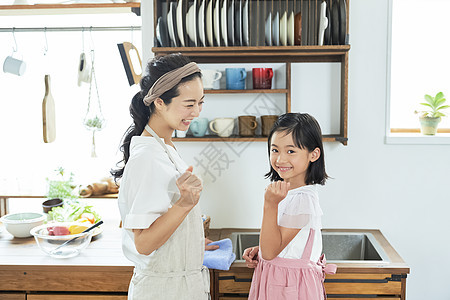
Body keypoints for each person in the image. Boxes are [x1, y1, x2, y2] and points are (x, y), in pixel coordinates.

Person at [111, 54, 218, 300]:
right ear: (159, 102)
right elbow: (144, 243)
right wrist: (184, 204)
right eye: (189, 104)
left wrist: (187, 244)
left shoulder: (163, 148)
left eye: (200, 102)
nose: (197, 112)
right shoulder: (148, 157)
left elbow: (159, 222)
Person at [242, 113, 337, 300]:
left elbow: (270, 253)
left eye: (291, 151)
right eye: (275, 150)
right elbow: (281, 245)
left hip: (289, 286)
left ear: (314, 154)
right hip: (281, 281)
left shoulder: (302, 198)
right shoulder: (290, 194)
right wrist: (260, 249)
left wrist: (269, 204)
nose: (280, 159)